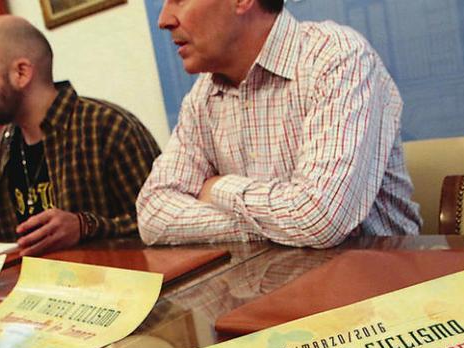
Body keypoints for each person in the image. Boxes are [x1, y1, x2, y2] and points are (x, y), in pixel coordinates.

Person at [136, 0, 421, 248]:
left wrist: (219, 188)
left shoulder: (337, 57)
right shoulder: (203, 95)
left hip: (382, 290)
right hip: (276, 291)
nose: (163, 20)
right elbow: (153, 214)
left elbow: (320, 219)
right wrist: (274, 226)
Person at [0, 16, 160, 256]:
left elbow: (164, 221)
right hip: (42, 294)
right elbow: (14, 232)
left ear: (21, 73)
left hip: (117, 296)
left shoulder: (107, 127)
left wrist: (85, 226)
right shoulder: (8, 141)